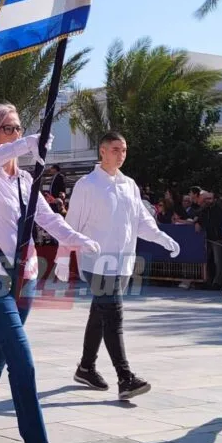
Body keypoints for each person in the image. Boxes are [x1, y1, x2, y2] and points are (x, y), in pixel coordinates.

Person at [0, 104, 98, 443]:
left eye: (20, 129)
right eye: (9, 128)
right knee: (23, 362)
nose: (16, 135)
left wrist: (78, 239)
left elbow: (47, 219)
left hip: (26, 277)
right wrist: (29, 143)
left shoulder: (24, 181)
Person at [56, 131, 180, 400]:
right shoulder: (87, 185)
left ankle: (86, 367)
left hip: (123, 262)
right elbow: (71, 225)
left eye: (124, 150)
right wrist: (63, 258)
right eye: (115, 149)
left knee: (100, 314)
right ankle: (126, 378)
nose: (121, 155)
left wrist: (161, 237)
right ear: (102, 151)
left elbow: (140, 221)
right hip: (96, 263)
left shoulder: (129, 185)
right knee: (114, 315)